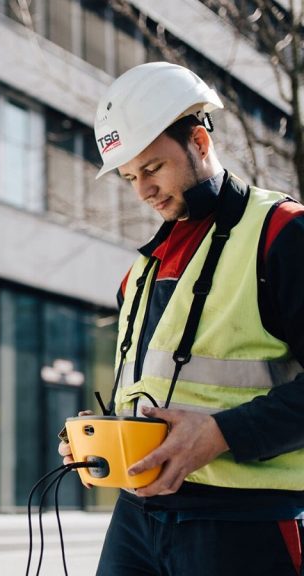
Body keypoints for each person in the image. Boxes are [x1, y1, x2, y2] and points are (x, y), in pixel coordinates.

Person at [58, 62, 304, 575]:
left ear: (198, 141)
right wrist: (102, 433)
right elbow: (153, 388)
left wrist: (219, 434)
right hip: (136, 516)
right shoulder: (140, 272)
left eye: (152, 168)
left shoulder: (283, 234)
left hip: (243, 520)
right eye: (129, 178)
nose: (143, 191)